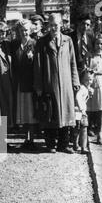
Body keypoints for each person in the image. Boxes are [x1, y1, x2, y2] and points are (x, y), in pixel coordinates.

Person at [33, 13, 80, 154]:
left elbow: (73, 62)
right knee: (51, 113)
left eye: (56, 25)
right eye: (51, 25)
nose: (54, 28)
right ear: (48, 26)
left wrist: (75, 80)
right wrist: (39, 86)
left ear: (61, 25)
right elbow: (38, 65)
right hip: (49, 83)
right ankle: (50, 144)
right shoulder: (42, 42)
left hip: (65, 84)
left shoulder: (68, 41)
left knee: (66, 113)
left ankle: (63, 144)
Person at [11, 19, 38, 150]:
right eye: (22, 30)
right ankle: (25, 138)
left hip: (30, 83)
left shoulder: (34, 43)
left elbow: (38, 65)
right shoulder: (14, 44)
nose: (24, 32)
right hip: (19, 83)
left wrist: (32, 58)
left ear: (30, 30)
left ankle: (31, 139)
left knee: (31, 113)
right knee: (22, 113)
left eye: (26, 30)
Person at [87, 34, 102, 145]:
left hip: (101, 82)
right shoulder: (89, 55)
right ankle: (87, 130)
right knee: (89, 109)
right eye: (97, 43)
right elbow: (85, 70)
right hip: (90, 82)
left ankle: (100, 132)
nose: (99, 46)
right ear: (94, 43)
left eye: (101, 43)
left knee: (101, 109)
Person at [73, 69, 94, 154]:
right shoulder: (82, 88)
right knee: (82, 129)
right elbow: (78, 97)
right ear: (82, 79)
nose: (89, 82)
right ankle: (82, 147)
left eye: (91, 79)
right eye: (86, 79)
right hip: (79, 112)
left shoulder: (86, 88)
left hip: (79, 111)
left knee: (78, 129)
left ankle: (77, 144)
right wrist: (82, 109)